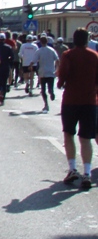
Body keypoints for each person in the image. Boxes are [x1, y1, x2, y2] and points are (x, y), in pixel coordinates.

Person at [56, 28, 98, 190]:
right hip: (90, 101)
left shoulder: (68, 55)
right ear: (87, 40)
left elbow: (63, 74)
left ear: (74, 40)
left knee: (69, 134)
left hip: (71, 100)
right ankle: (87, 173)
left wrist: (60, 83)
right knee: (86, 138)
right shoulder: (94, 56)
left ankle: (73, 169)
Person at [35, 35, 60, 112]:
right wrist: (57, 69)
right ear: (47, 42)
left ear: (40, 42)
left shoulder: (38, 51)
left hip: (42, 73)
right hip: (51, 72)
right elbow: (57, 60)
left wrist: (31, 65)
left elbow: (35, 60)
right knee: (50, 88)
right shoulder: (52, 50)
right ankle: (52, 93)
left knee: (43, 90)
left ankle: (46, 104)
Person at [0, 33, 15, 105]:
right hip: (6, 66)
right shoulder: (8, 47)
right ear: (4, 39)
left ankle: (0, 92)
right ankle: (3, 96)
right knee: (4, 81)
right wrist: (9, 63)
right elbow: (12, 57)